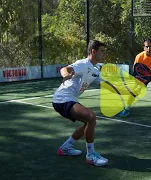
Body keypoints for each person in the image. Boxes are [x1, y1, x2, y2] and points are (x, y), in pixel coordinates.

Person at [52, 39, 109, 167]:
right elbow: (65, 69)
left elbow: (104, 84)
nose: (104, 54)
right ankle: (90, 155)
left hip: (69, 99)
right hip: (62, 99)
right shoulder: (83, 64)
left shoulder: (94, 70)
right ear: (93, 52)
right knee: (91, 117)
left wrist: (120, 89)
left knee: (88, 123)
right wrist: (66, 74)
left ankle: (65, 147)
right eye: (102, 51)